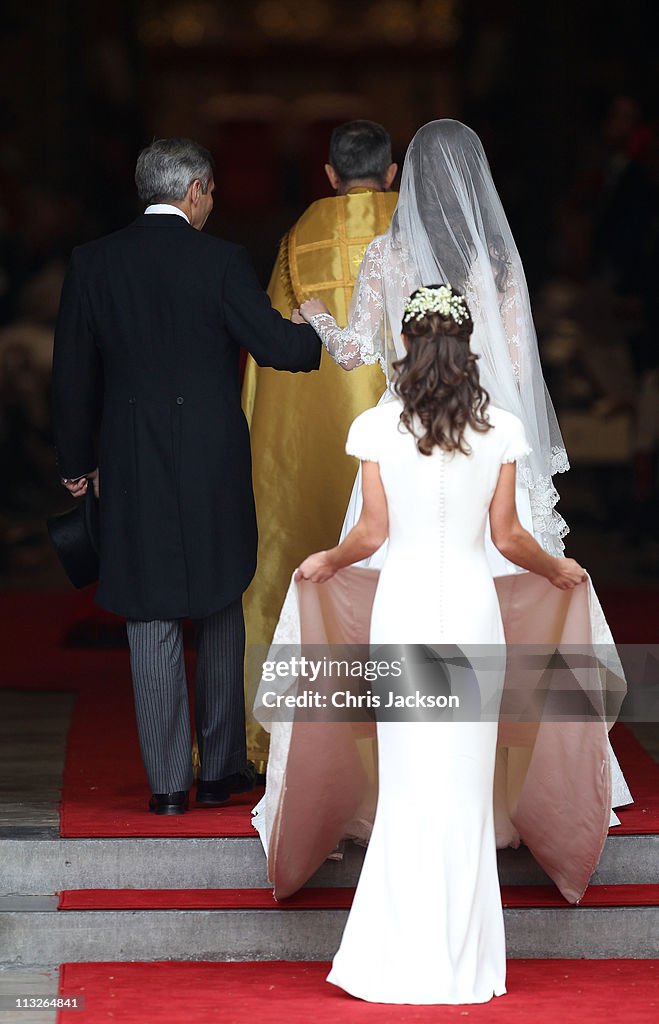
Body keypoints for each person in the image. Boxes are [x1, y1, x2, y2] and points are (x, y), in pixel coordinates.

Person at [251, 119, 631, 865]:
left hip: (408, 443)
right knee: (511, 616)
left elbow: (361, 349)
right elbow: (515, 366)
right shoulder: (497, 263)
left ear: (407, 180)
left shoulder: (390, 255)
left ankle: (402, 782)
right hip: (487, 443)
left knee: (398, 609)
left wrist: (316, 317)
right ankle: (516, 789)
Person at [294, 285, 585, 1004]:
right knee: (459, 782)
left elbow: (370, 535)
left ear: (408, 343)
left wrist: (326, 562)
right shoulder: (501, 431)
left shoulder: (374, 427)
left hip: (404, 609)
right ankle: (463, 961)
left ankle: (392, 957)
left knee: (409, 779)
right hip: (469, 612)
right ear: (466, 346)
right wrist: (558, 569)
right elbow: (508, 538)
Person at [51, 138, 320, 815]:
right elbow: (283, 351)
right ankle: (221, 769)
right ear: (195, 191)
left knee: (148, 609)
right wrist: (310, 323)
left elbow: (73, 375)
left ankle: (168, 785)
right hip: (211, 455)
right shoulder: (221, 260)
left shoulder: (93, 262)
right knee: (221, 595)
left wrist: (75, 464)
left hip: (130, 454)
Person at [241, 120, 398, 767]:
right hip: (414, 438)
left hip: (314, 448)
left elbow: (269, 365)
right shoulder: (422, 229)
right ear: (391, 174)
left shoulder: (294, 241)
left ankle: (286, 736)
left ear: (329, 176)